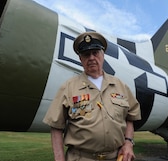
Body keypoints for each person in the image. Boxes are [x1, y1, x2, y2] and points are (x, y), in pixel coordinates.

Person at [43, 31, 141, 161]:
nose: (91, 58)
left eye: (95, 53)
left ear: (103, 55)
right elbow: (56, 126)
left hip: (116, 157)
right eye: (86, 54)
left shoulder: (120, 86)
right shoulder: (68, 87)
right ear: (80, 59)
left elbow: (130, 117)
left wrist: (128, 142)